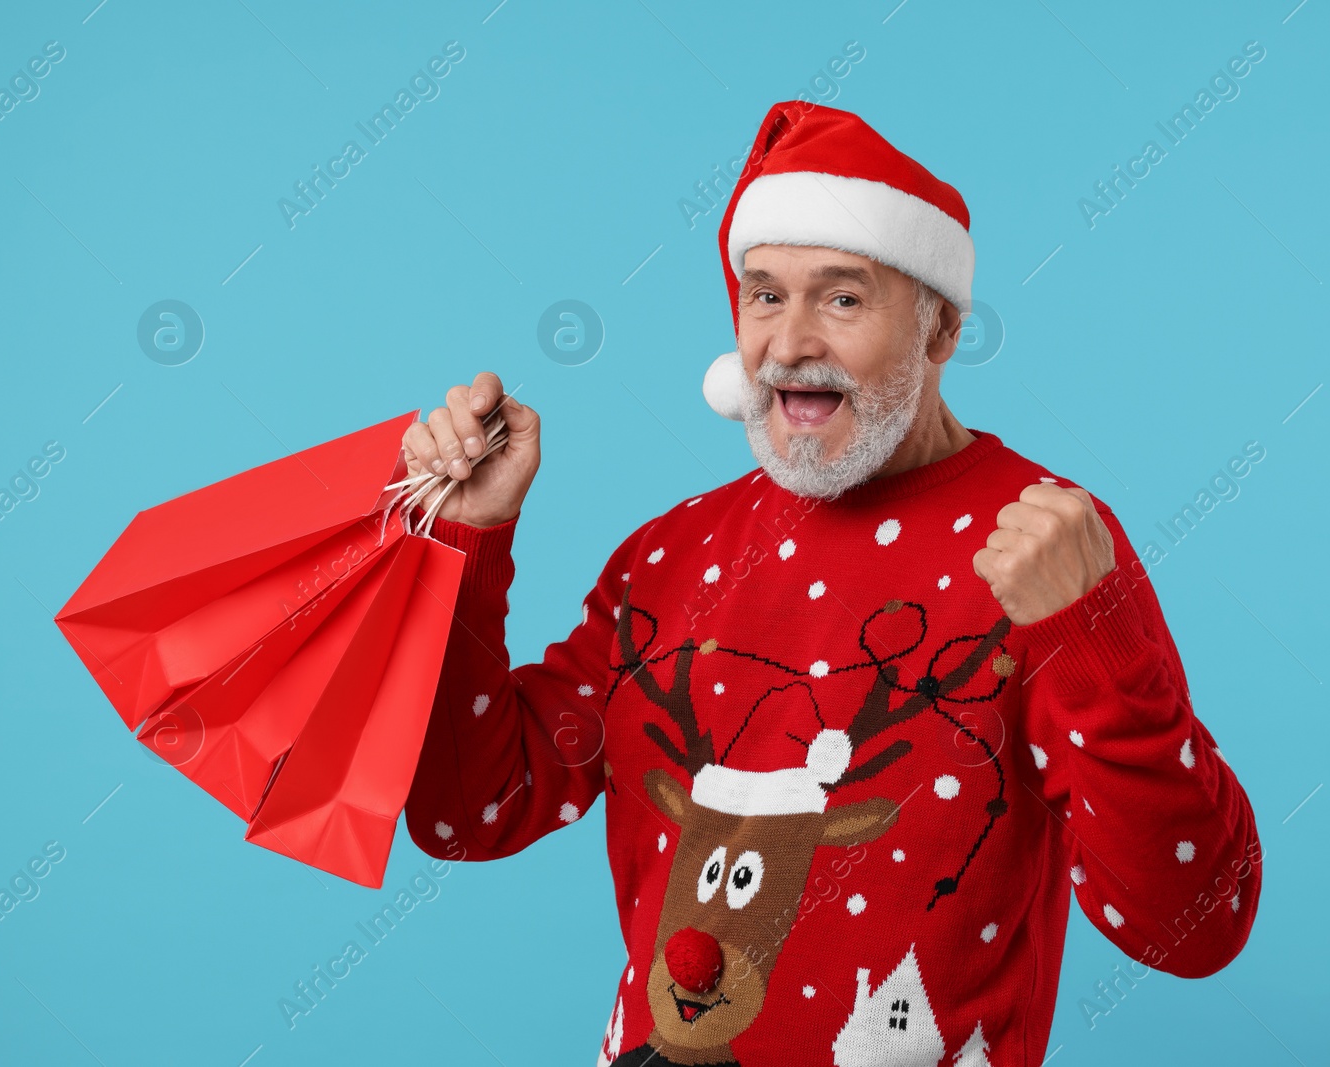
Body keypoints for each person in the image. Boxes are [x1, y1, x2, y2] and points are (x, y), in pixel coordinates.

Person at [400, 101, 1261, 1067]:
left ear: (939, 329)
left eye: (842, 298)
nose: (791, 342)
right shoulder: (667, 555)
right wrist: (467, 547)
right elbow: (468, 812)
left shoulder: (1045, 547)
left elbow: (1194, 926)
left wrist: (1091, 635)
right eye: (765, 295)